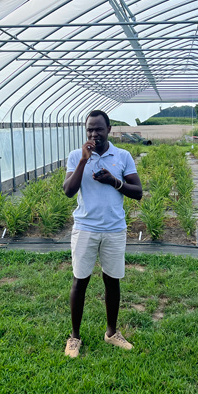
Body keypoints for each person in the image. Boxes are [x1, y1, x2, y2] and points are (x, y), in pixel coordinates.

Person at [62, 110, 143, 358]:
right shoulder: (77, 155)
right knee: (80, 280)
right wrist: (84, 161)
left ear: (109, 129)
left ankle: (111, 333)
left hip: (114, 229)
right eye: (89, 129)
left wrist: (113, 181)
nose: (94, 134)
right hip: (85, 228)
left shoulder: (122, 156)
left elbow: (137, 192)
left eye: (98, 129)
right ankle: (74, 337)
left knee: (112, 280)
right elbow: (68, 190)